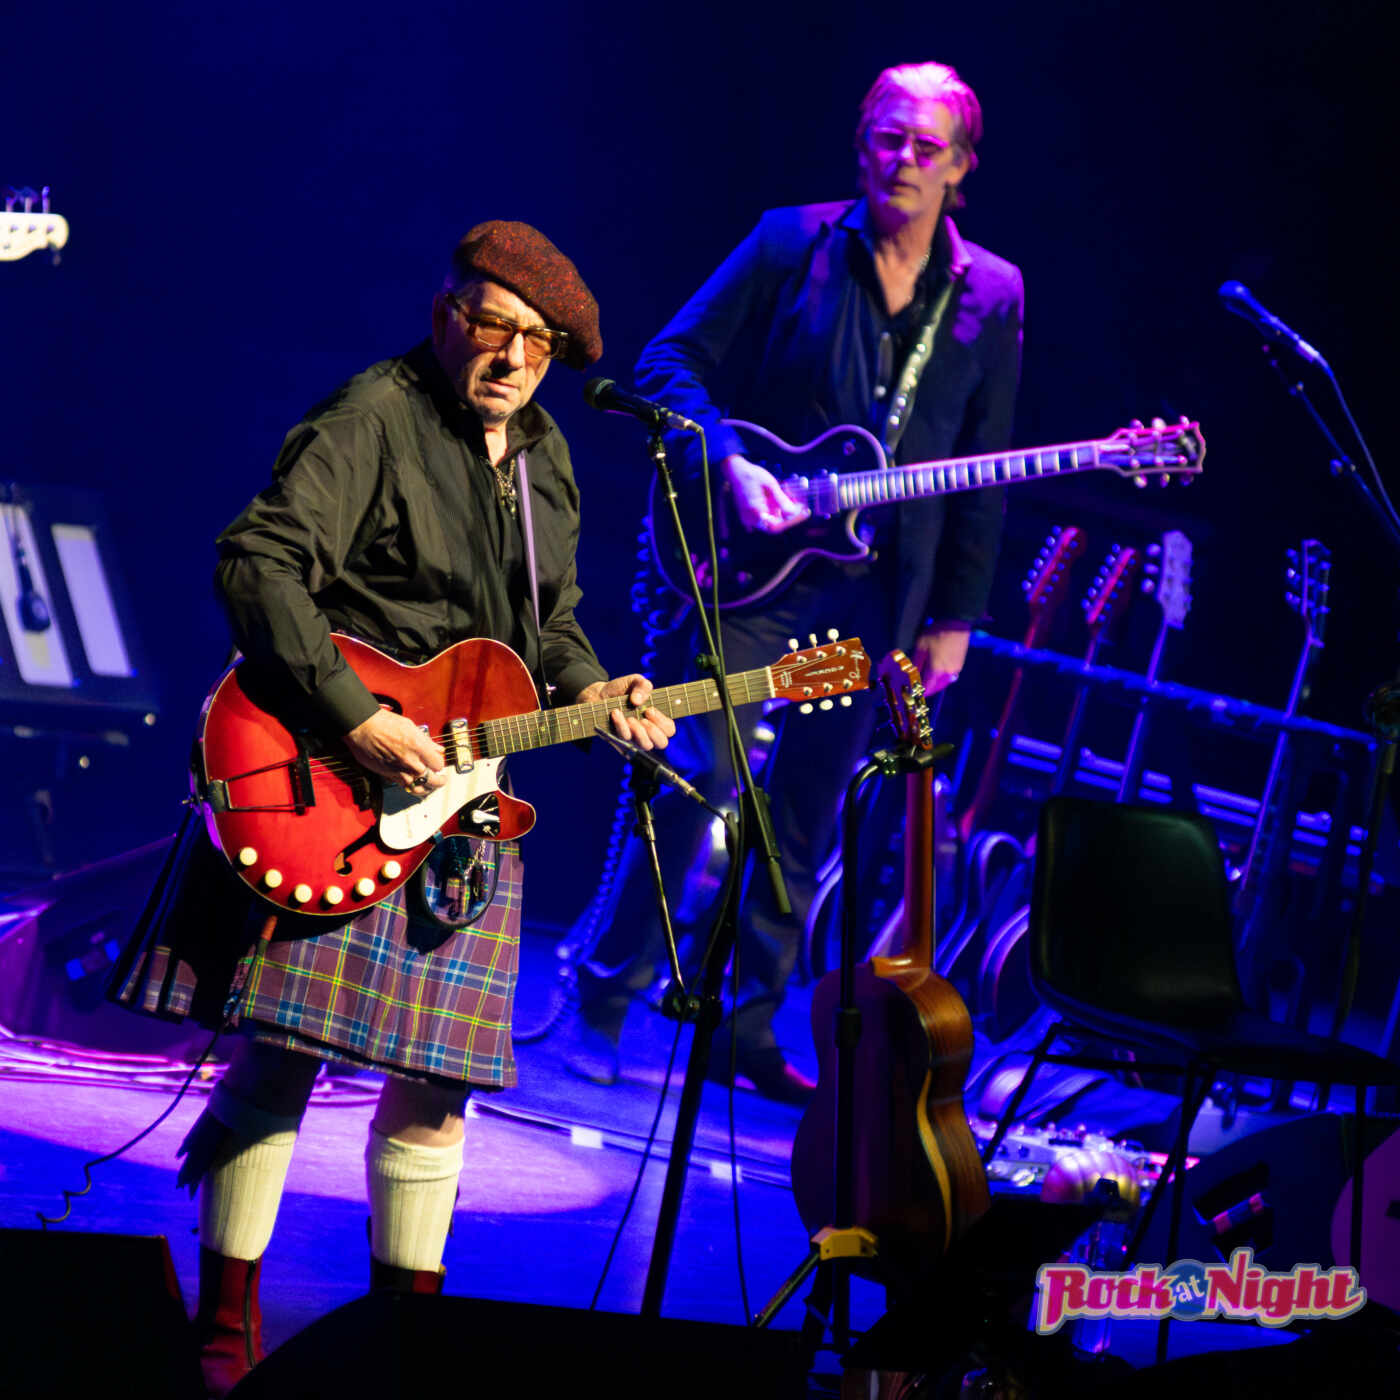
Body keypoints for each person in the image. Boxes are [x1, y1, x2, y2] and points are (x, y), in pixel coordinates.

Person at [110, 220, 674, 1396]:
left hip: (464, 800)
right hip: (331, 775)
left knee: (438, 1090)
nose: (510, 356)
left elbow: (553, 628)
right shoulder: (373, 413)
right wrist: (354, 713)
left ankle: (402, 1348)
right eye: (491, 325)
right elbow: (256, 562)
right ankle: (224, 1328)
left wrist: (593, 690)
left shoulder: (548, 462)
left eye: (536, 341)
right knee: (281, 1057)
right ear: (443, 316)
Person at [562, 61, 1023, 1104]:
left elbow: (982, 468)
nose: (903, 159)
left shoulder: (992, 294)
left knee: (808, 811)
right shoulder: (789, 242)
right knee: (693, 776)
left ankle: (744, 1025)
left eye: (927, 146)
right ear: (862, 141)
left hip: (876, 595)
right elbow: (668, 362)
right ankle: (605, 992)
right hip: (753, 573)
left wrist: (955, 614)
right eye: (887, 136)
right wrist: (729, 460)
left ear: (961, 167)